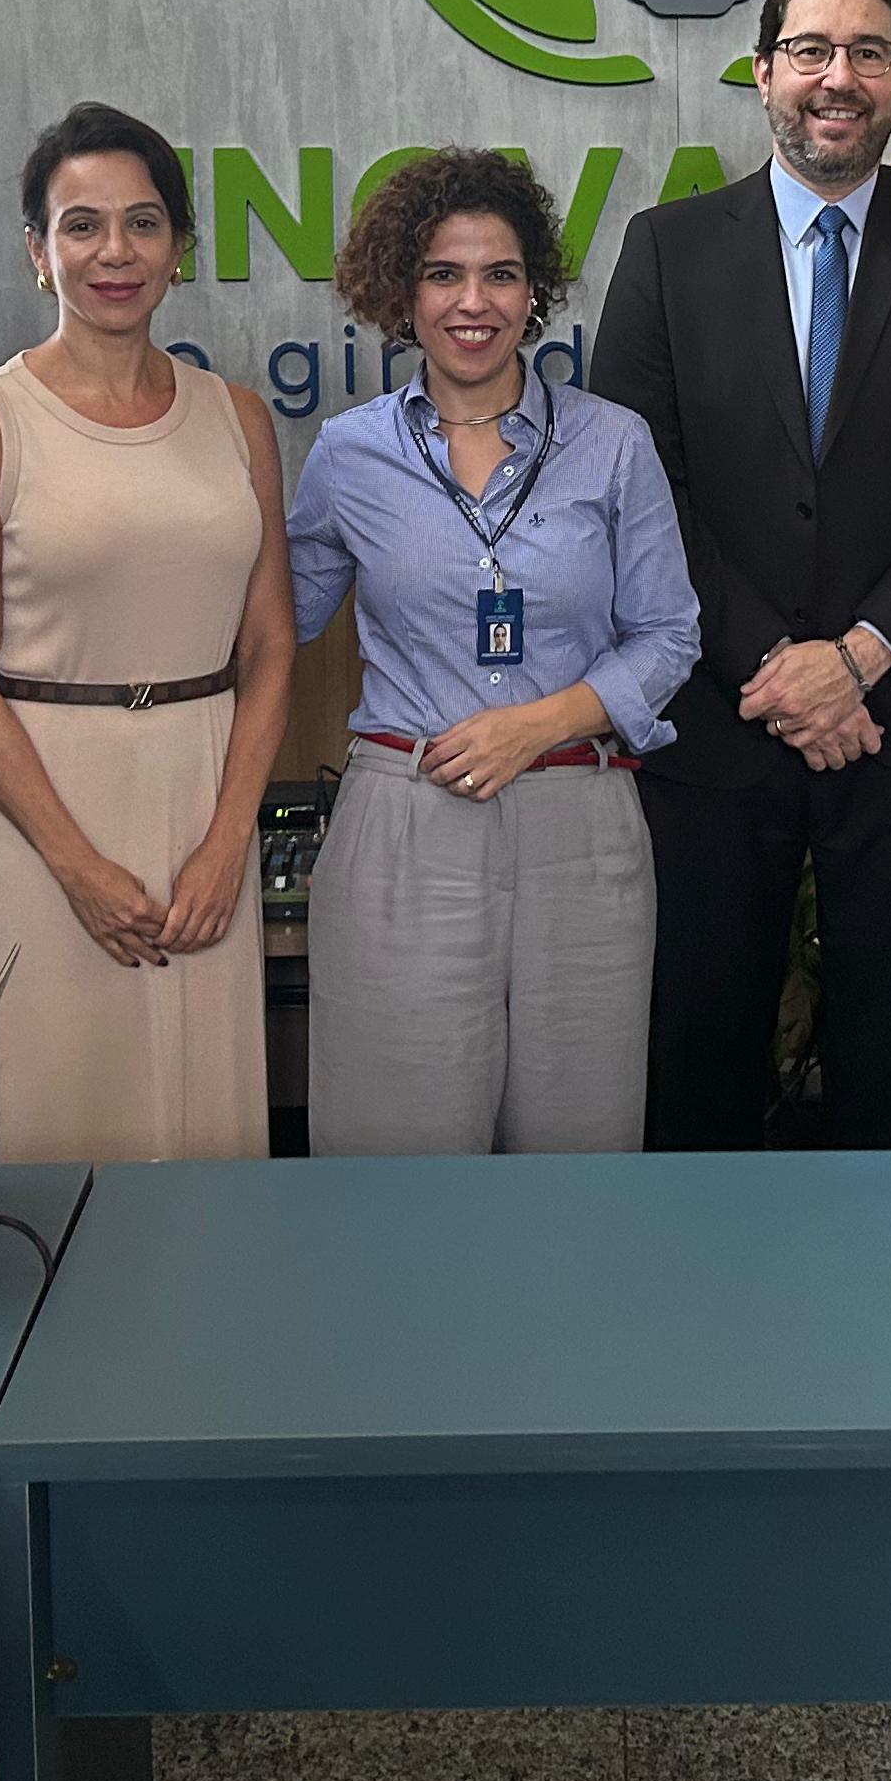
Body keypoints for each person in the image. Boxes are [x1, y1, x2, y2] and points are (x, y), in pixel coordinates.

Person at [591, 0, 891, 1151]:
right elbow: (640, 487)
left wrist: (859, 655)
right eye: (810, 51)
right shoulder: (666, 248)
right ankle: (706, 1303)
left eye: (866, 53)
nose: (836, 77)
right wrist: (780, 664)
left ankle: (886, 1308)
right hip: (717, 711)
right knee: (701, 1037)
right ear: (762, 72)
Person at [285, 150, 699, 1152]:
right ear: (402, 292)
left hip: (581, 825)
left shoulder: (613, 441)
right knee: (398, 1154)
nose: (474, 302)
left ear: (535, 292)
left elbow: (670, 631)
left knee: (579, 1150)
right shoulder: (349, 454)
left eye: (500, 275)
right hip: (407, 818)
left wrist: (539, 724)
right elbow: (273, 625)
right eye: (443, 275)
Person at [0, 102, 291, 1162]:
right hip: (45, 807)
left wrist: (231, 842)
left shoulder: (237, 416)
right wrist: (75, 862)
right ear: (38, 252)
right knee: (66, 1119)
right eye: (80, 225)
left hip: (204, 795)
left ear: (181, 248)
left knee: (206, 1120)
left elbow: (268, 647)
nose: (112, 252)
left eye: (142, 223)